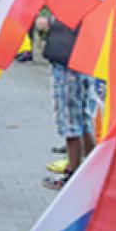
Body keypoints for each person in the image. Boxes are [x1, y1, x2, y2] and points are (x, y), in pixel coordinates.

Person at [41, 15, 97, 190]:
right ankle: (92, 170)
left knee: (71, 122)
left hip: (69, 64)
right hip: (80, 62)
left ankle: (73, 174)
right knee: (82, 120)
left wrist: (48, 23)